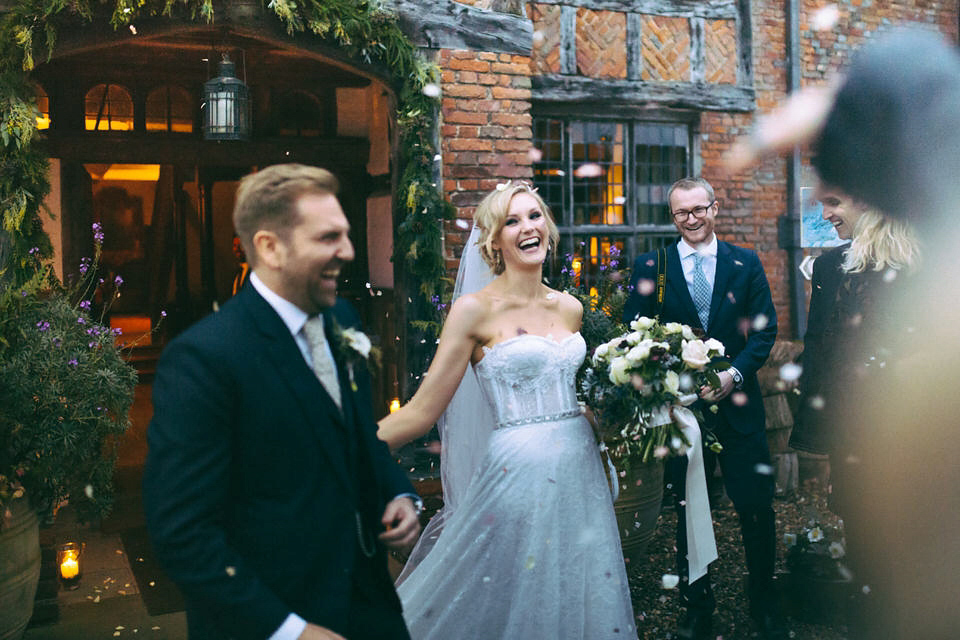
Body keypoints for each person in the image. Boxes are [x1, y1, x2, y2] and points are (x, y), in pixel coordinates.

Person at [726, 28, 960, 639]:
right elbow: (826, 355)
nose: (824, 214)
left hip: (927, 440)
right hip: (866, 436)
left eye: (834, 200)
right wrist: (816, 441)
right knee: (876, 563)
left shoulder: (936, 268)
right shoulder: (832, 269)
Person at [143, 164, 421, 640]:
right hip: (269, 613)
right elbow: (182, 533)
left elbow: (356, 436)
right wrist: (288, 631)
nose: (348, 252)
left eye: (346, 235)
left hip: (367, 606)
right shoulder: (204, 359)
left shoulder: (342, 319)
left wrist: (398, 492)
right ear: (270, 247)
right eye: (328, 237)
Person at [377, 181, 639, 639]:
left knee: (576, 587)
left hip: (580, 471)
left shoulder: (572, 308)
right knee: (509, 592)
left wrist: (622, 407)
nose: (527, 228)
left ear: (548, 227)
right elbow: (421, 412)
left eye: (534, 216)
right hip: (516, 476)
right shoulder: (472, 311)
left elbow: (573, 394)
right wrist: (345, 447)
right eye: (511, 221)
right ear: (493, 241)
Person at [623, 176, 781, 640]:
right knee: (689, 508)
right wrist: (668, 376)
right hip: (682, 415)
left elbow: (766, 332)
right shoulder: (654, 264)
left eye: (699, 210)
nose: (691, 220)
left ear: (715, 208)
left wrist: (733, 374)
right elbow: (636, 329)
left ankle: (765, 603)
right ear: (672, 217)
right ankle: (697, 604)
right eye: (681, 213)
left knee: (757, 507)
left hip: (738, 407)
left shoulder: (745, 263)